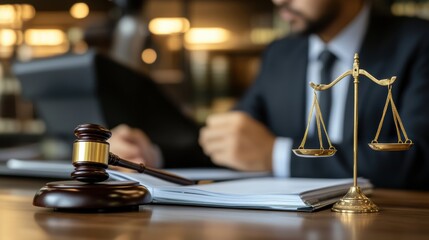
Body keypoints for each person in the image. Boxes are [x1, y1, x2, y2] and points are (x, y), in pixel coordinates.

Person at [108, 0, 429, 190]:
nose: (278, 1)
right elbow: (234, 139)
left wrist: (278, 155)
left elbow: (420, 158)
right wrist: (152, 155)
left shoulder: (418, 43)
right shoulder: (281, 54)